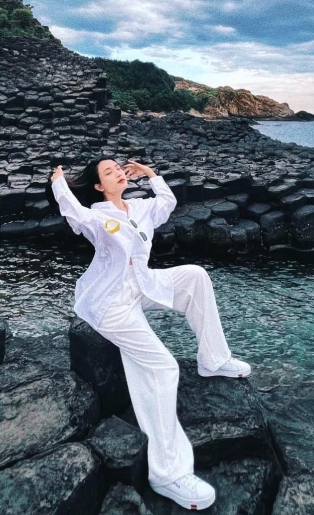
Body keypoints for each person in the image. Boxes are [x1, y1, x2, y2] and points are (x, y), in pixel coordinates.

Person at [47, 156, 251, 511]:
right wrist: (58, 184)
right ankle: (167, 473)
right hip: (112, 302)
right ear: (98, 186)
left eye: (118, 168)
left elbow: (167, 202)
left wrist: (151, 174)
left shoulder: (140, 208)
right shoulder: (97, 216)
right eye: (108, 172)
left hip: (143, 285)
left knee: (195, 276)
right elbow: (74, 214)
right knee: (162, 366)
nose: (118, 173)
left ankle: (213, 359)